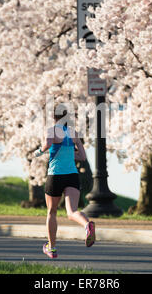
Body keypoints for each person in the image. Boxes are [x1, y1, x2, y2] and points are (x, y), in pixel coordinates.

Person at [34, 106, 95, 259]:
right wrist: (68, 153)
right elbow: (82, 156)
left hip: (56, 175)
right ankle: (87, 225)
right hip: (72, 176)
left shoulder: (51, 130)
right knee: (72, 212)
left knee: (52, 212)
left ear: (53, 117)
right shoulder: (73, 133)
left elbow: (47, 145)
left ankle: (52, 248)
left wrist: (39, 151)